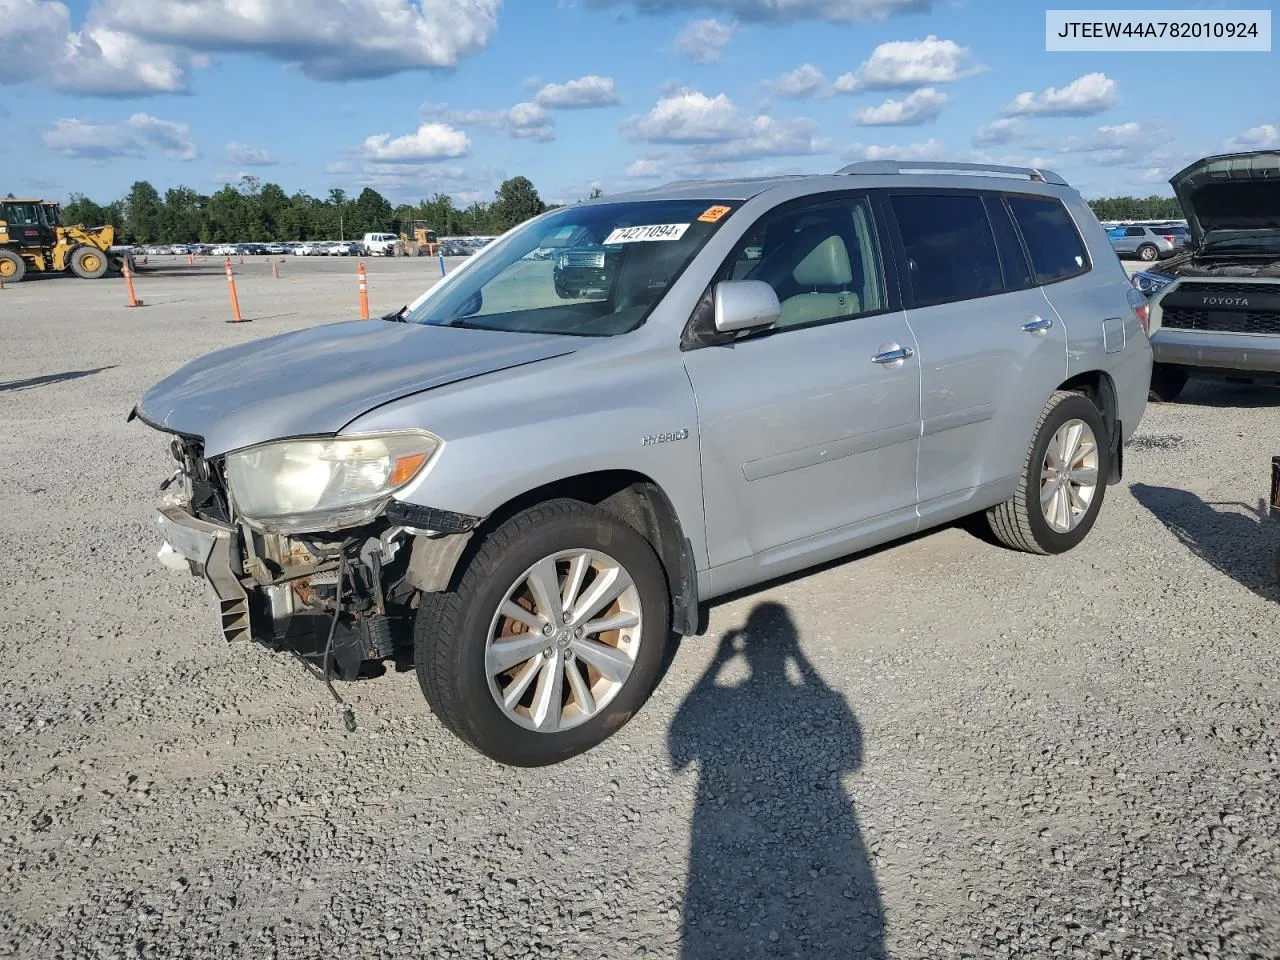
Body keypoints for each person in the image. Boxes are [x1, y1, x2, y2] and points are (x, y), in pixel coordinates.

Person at [669, 602, 885, 959]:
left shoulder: (726, 698)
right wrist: (798, 657)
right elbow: (852, 755)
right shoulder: (819, 699)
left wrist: (718, 663)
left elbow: (678, 748)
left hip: (718, 851)